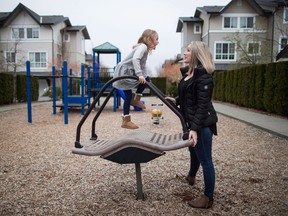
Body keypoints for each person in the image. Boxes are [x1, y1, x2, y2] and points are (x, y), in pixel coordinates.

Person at [166, 41, 218, 208]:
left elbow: (203, 105)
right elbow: (189, 95)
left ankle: (208, 197)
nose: (185, 53)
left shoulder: (204, 76)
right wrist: (176, 100)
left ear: (196, 54)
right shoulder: (190, 74)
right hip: (192, 122)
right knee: (194, 151)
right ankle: (191, 176)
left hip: (202, 124)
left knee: (205, 159)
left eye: (188, 50)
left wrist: (194, 129)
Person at [113, 29, 159, 129]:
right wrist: (140, 74)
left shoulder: (144, 49)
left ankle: (126, 120)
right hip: (124, 72)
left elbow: (143, 66)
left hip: (126, 71)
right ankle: (136, 100)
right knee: (144, 80)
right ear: (149, 39)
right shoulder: (143, 47)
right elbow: (135, 59)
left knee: (129, 96)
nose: (158, 41)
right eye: (156, 39)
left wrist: (144, 75)